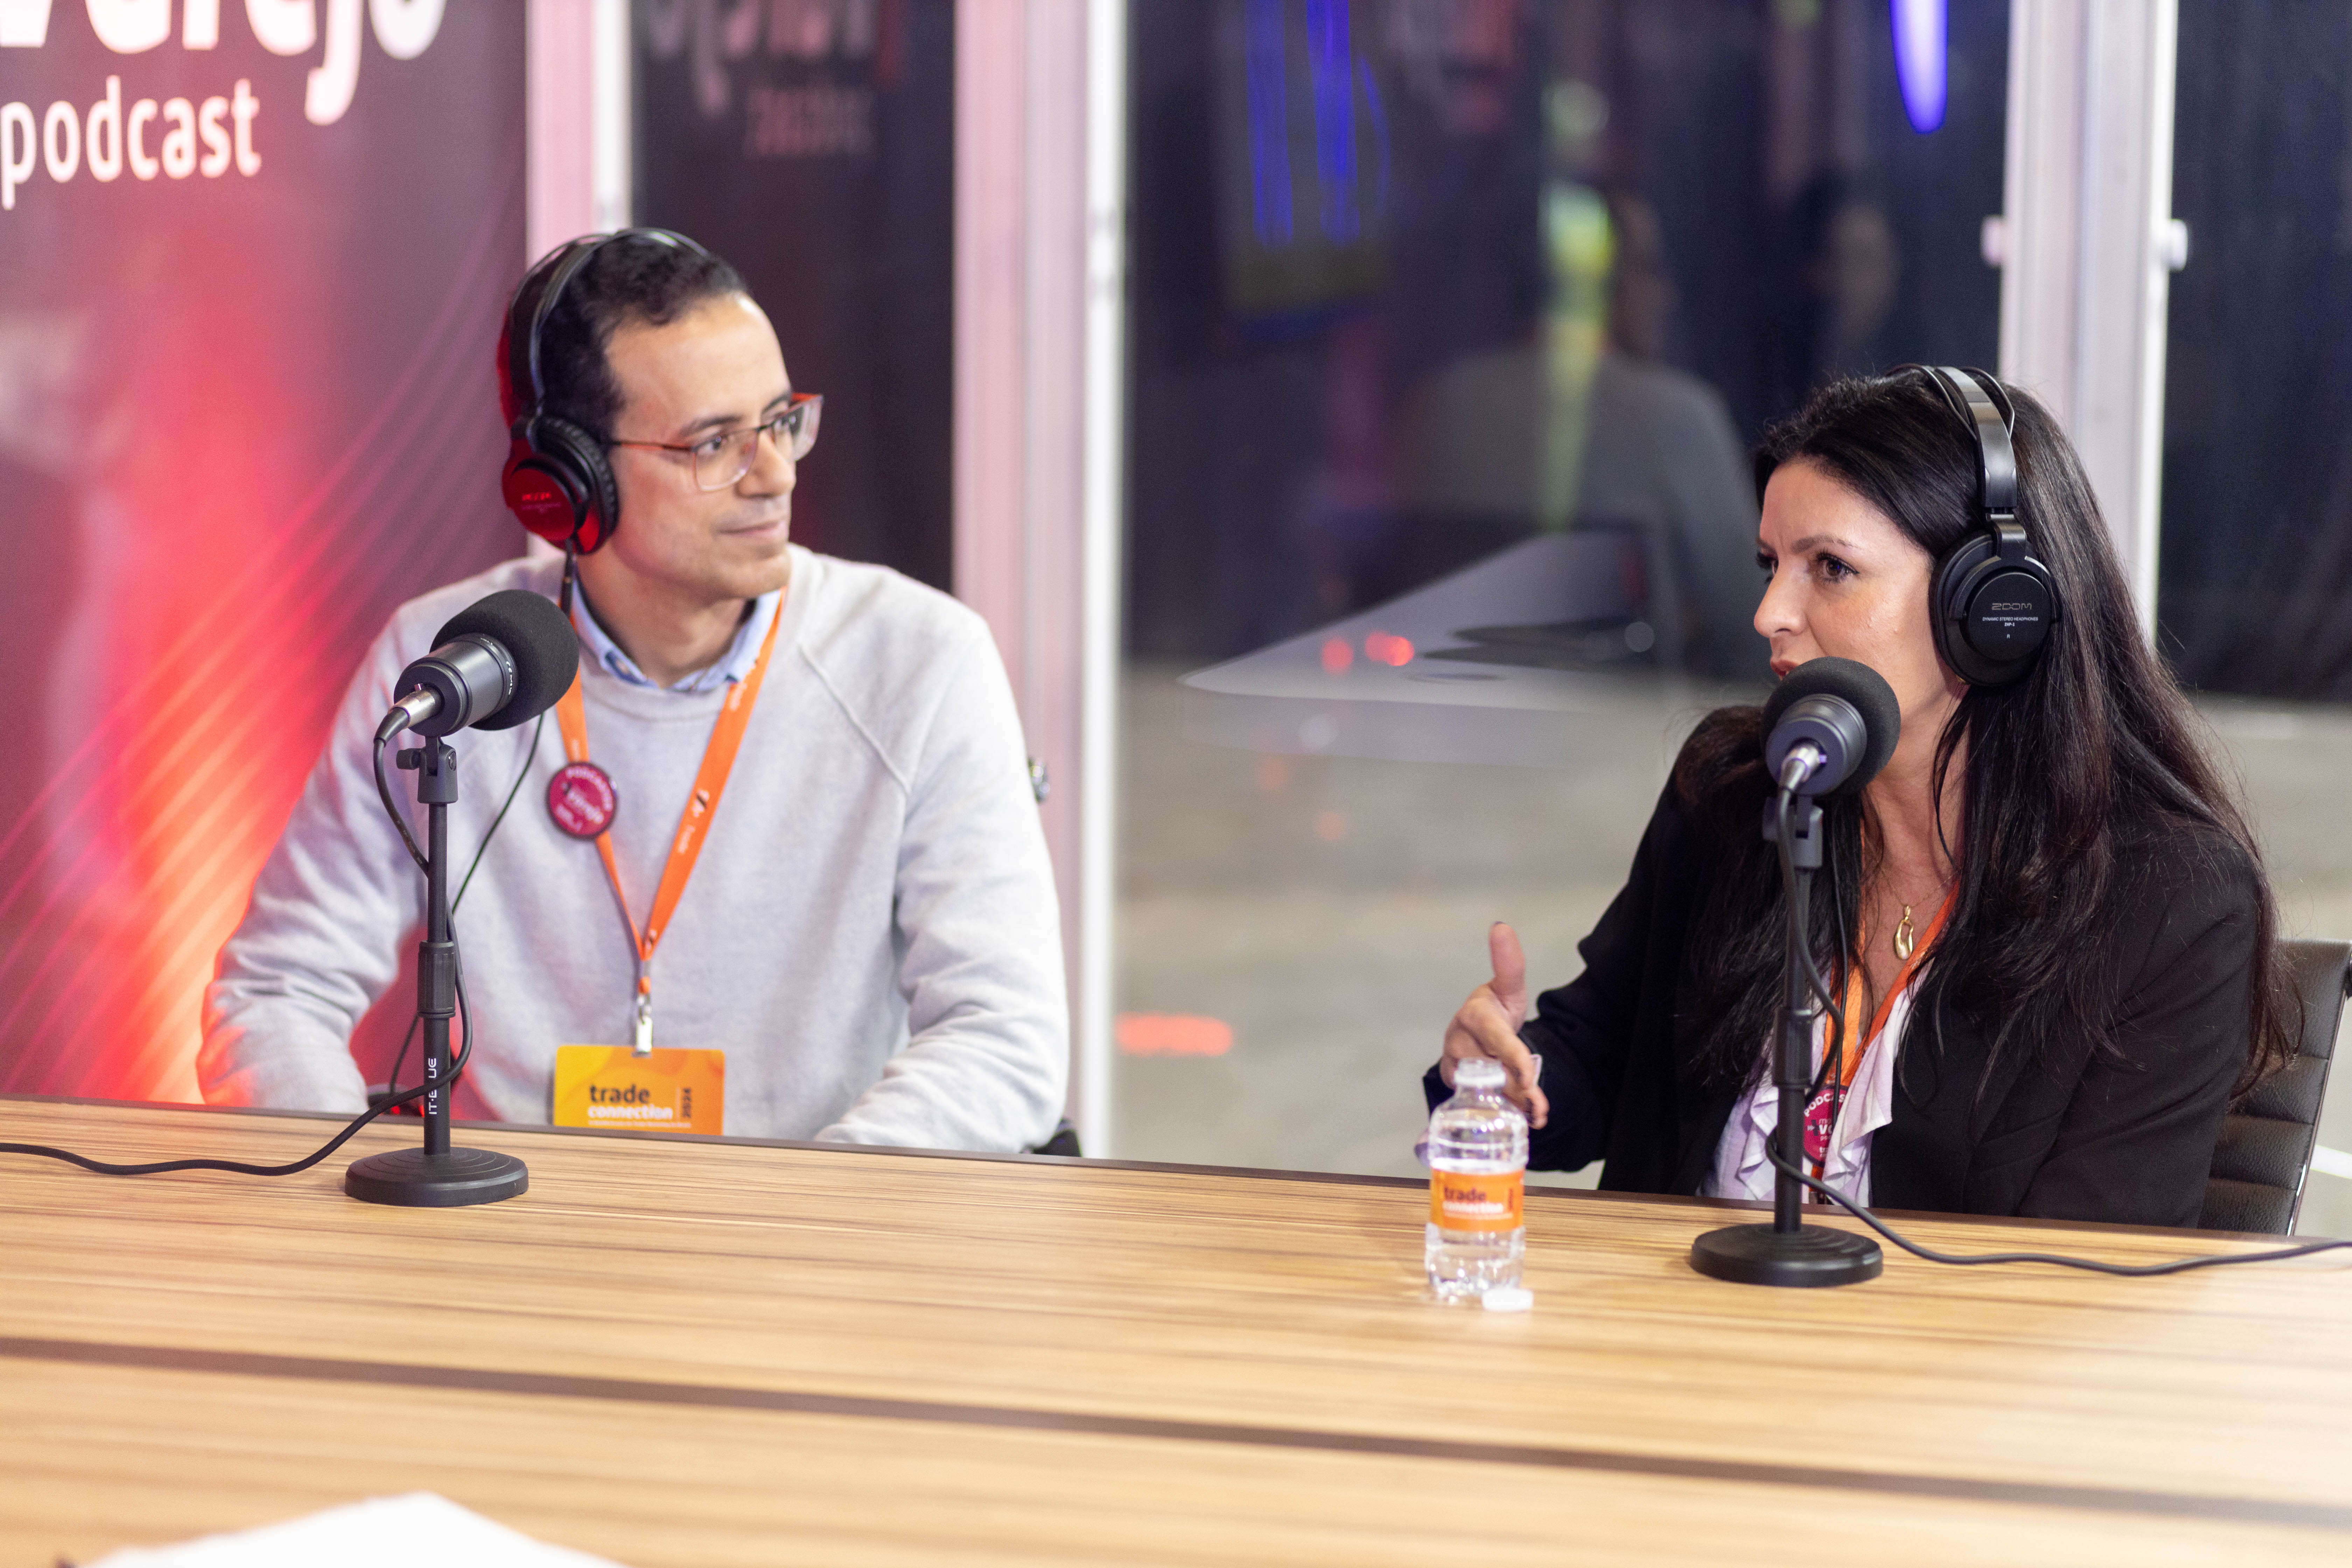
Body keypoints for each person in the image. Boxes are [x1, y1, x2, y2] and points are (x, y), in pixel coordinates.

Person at [199, 230, 1069, 1152]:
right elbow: (276, 990)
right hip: (509, 1222)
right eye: (714, 443)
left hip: (813, 1222)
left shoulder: (922, 663)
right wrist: (339, 1197)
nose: (776, 474)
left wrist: (798, 1214)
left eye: (781, 421)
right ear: (567, 483)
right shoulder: (453, 666)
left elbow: (1002, 1037)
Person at [1429, 369, 2294, 1226]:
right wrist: (1499, 1074)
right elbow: (1594, 1071)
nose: (1771, 611)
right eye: (1771, 565)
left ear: (1992, 606)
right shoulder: (1738, 791)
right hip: (1671, 1314)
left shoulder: (2168, 900)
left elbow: (2091, 1268)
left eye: (1831, 568)